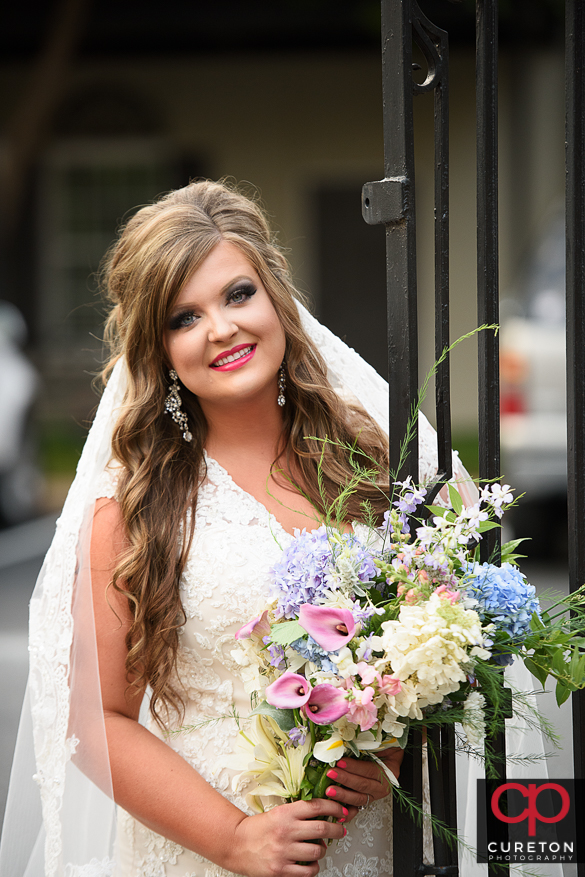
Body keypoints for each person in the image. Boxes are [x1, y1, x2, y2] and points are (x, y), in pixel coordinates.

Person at [0, 179, 474, 877]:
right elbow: (96, 721)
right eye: (183, 317)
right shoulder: (132, 508)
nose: (220, 328)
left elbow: (444, 643)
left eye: (237, 294)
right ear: (157, 348)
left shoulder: (376, 462)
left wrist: (397, 743)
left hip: (375, 842)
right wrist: (232, 838)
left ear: (276, 297)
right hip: (209, 851)